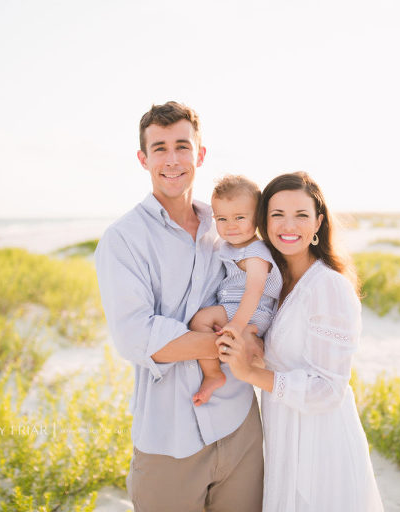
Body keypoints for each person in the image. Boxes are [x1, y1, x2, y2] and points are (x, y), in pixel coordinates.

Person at [94, 101, 264, 512]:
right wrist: (235, 346)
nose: (172, 160)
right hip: (169, 437)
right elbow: (138, 339)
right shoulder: (122, 239)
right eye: (160, 148)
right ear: (143, 158)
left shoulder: (225, 227)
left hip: (239, 423)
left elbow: (259, 289)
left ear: (200, 154)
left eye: (182, 146)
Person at [217, 172, 384, 511]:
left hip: (321, 445)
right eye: (277, 214)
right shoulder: (274, 282)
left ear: (319, 222)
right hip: (284, 436)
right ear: (264, 221)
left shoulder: (328, 286)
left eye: (301, 215)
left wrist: (251, 374)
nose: (287, 225)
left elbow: (328, 389)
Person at [188, 174, 282, 406]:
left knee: (200, 321)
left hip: (252, 310)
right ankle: (251, 346)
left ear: (258, 217)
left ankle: (213, 374)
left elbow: (254, 291)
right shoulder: (229, 246)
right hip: (241, 310)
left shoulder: (256, 253)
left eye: (240, 217)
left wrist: (237, 325)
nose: (230, 226)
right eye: (222, 218)